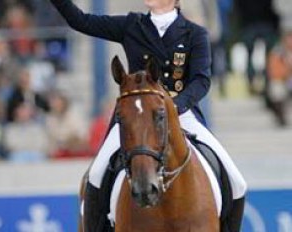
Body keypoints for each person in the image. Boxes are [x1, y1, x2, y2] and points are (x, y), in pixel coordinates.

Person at [50, 0, 247, 231]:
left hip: (181, 113)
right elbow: (80, 20)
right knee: (96, 175)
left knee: (237, 182)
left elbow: (201, 80)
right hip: (136, 116)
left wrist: (174, 106)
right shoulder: (132, 25)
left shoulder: (195, 33)